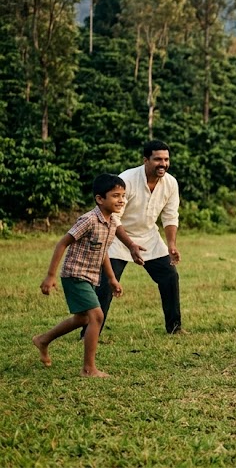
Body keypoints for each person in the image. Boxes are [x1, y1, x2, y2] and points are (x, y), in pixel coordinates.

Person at [33, 175, 127, 377]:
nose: (121, 200)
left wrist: (111, 279)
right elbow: (62, 243)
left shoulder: (112, 222)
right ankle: (88, 368)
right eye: (115, 196)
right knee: (97, 316)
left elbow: (102, 253)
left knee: (83, 318)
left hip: (91, 276)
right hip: (75, 273)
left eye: (123, 196)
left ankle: (43, 340)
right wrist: (50, 276)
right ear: (100, 199)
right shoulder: (89, 220)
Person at [90, 140, 183, 336]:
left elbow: (170, 215)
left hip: (149, 236)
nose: (163, 164)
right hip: (117, 236)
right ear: (146, 160)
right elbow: (113, 218)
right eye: (157, 159)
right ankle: (90, 332)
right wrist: (130, 245)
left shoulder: (170, 182)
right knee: (107, 282)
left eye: (166, 159)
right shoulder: (127, 179)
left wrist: (172, 244)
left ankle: (174, 328)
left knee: (170, 276)